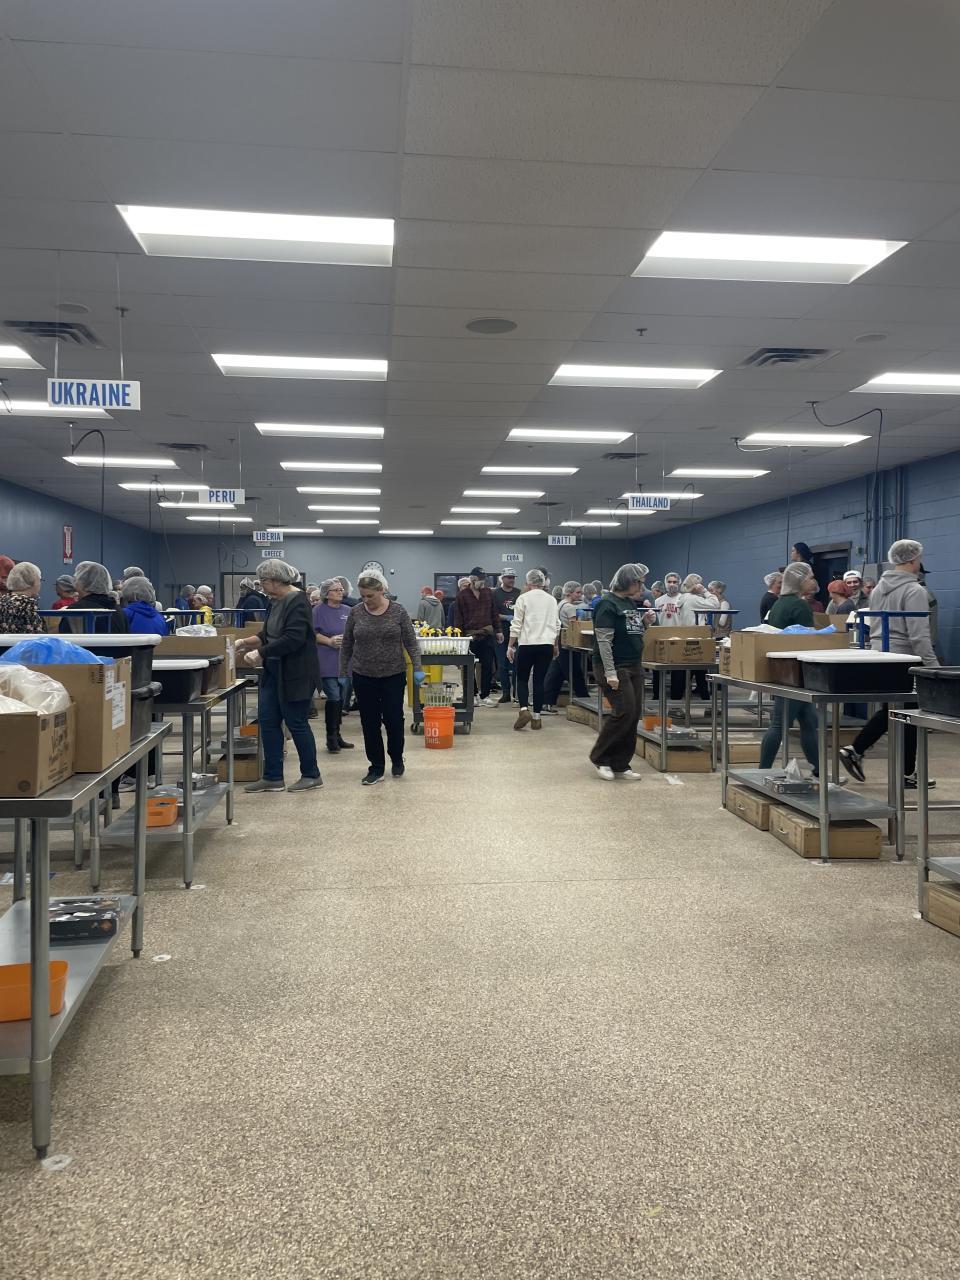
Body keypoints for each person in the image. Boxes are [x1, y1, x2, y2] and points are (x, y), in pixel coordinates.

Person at [840, 539, 938, 789]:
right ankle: (904, 772)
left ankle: (857, 750)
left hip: (881, 656)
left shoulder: (879, 589)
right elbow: (918, 635)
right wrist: (933, 667)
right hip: (905, 659)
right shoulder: (915, 591)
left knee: (893, 711)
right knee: (910, 714)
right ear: (912, 560)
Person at [235, 559, 322, 793]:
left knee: (296, 722)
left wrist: (260, 653)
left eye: (263, 581)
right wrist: (245, 642)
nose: (261, 586)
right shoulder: (274, 601)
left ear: (275, 580)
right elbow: (268, 634)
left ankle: (311, 774)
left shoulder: (299, 602)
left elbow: (293, 638)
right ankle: (272, 776)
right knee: (267, 720)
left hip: (296, 673)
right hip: (274, 671)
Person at [339, 569, 422, 785]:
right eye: (363, 596)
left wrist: (417, 667)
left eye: (370, 596)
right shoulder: (356, 612)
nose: (366, 600)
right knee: (369, 722)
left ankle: (396, 757)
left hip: (393, 674)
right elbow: (347, 643)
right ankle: (376, 767)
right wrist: (342, 672)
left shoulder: (398, 611)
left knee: (394, 720)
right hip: (363, 675)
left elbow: (411, 642)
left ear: (382, 591)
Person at [590, 563, 653, 781]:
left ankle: (620, 763)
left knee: (633, 714)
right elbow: (604, 641)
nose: (641, 587)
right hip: (615, 667)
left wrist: (645, 623)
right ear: (628, 581)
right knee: (624, 711)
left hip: (633, 664)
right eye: (639, 582)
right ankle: (600, 758)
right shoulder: (607, 604)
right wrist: (610, 673)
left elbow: (632, 632)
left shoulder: (629, 602)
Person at [759, 562, 819, 773]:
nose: (813, 581)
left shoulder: (779, 603)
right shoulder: (799, 606)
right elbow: (808, 641)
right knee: (779, 724)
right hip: (795, 673)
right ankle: (762, 771)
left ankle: (818, 770)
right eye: (810, 577)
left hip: (785, 670)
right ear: (799, 581)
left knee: (809, 721)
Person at [507, 569, 560, 731]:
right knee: (539, 680)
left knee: (522, 679)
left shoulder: (523, 598)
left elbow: (516, 624)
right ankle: (537, 718)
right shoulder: (551, 600)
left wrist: (510, 645)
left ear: (528, 582)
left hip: (527, 644)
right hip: (546, 645)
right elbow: (556, 625)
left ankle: (524, 710)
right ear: (543, 582)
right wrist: (555, 645)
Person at [312, 578, 354, 754]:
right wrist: (329, 641)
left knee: (342, 698)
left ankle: (337, 734)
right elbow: (312, 633)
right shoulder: (317, 611)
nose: (340, 592)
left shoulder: (348, 610)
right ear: (326, 594)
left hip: (345, 661)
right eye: (336, 590)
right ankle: (331, 737)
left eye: (341, 590)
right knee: (334, 696)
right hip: (326, 659)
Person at [453, 567, 502, 707]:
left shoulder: (488, 593)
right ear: (472, 579)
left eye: (483, 579)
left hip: (487, 634)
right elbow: (458, 618)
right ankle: (472, 695)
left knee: (488, 666)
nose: (482, 582)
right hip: (469, 636)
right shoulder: (462, 596)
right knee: (469, 667)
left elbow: (494, 613)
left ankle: (485, 695)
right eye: (480, 579)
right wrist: (459, 638)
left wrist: (499, 631)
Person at [542, 580, 589, 712]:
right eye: (577, 592)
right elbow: (574, 627)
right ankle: (585, 699)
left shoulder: (560, 604)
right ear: (569, 592)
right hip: (568, 643)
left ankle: (546, 702)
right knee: (575, 673)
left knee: (556, 674)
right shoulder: (570, 607)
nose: (580, 595)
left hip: (559, 642)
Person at [60, 561, 128, 633]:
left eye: (76, 580)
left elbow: (65, 637)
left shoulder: (76, 611)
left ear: (82, 583)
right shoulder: (118, 610)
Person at [493, 569, 521, 704]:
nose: (512, 580)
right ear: (502, 579)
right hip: (501, 632)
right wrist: (506, 617)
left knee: (517, 664)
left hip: (517, 633)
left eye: (513, 577)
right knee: (502, 664)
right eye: (509, 577)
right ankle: (505, 692)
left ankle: (516, 693)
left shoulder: (519, 593)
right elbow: (492, 613)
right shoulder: (495, 594)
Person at [0, 562, 44, 634]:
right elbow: (35, 635)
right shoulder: (28, 604)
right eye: (40, 580)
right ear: (32, 581)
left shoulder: (2, 600)